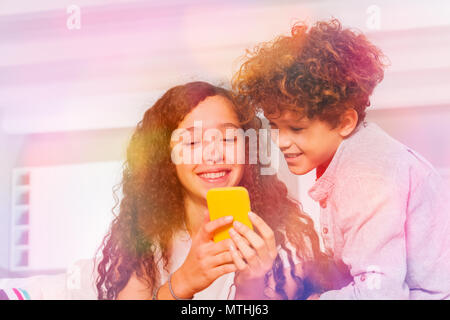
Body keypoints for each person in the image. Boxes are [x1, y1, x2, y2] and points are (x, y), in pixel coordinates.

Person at [232, 19, 450, 299]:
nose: (281, 141)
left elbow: (380, 293)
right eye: (274, 125)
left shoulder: (367, 177)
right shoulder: (355, 153)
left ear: (345, 121)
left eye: (296, 128)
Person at [96, 81, 349, 300]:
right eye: (192, 141)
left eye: (228, 138)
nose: (214, 154)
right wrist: (183, 282)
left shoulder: (288, 245)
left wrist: (250, 286)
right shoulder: (142, 240)